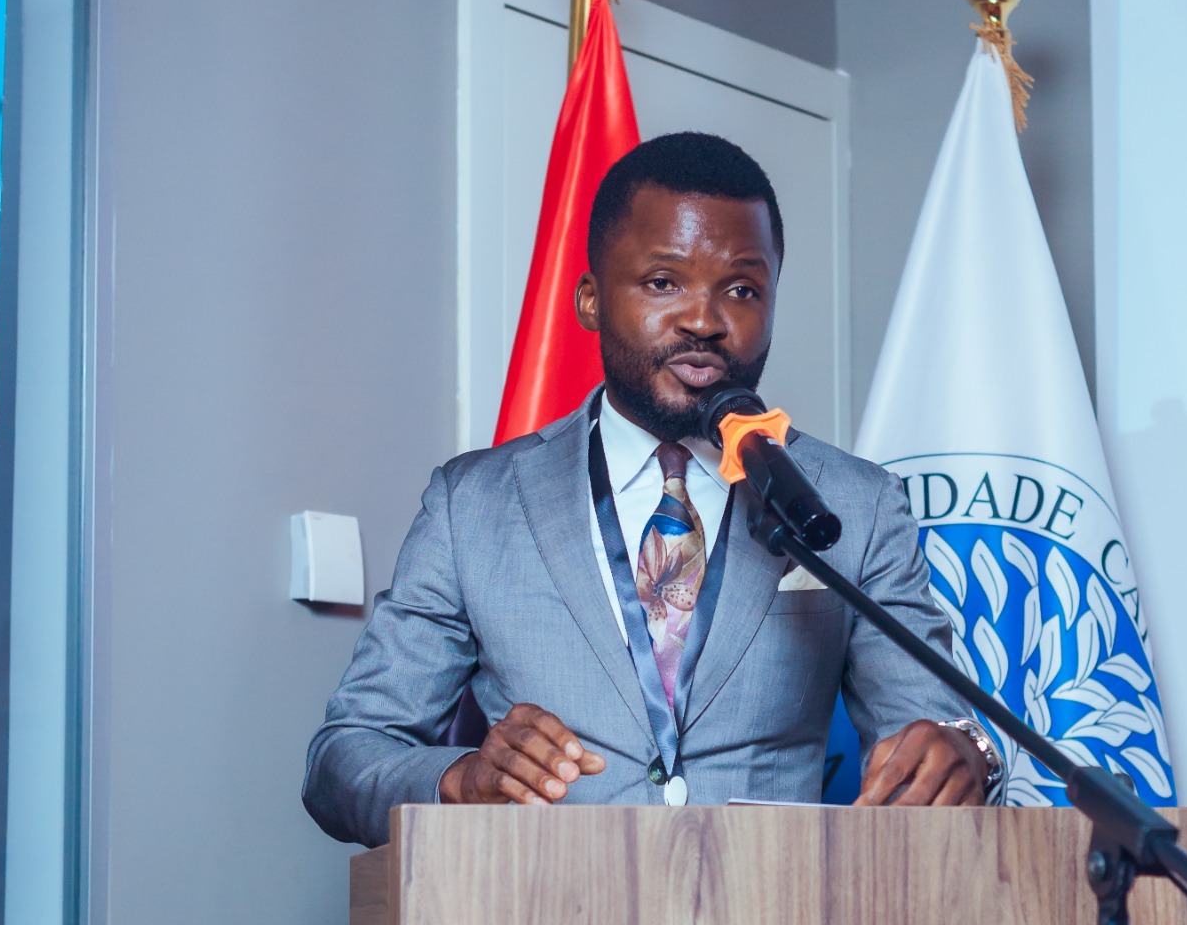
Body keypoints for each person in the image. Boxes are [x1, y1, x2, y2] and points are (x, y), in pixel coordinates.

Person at [303, 132, 1003, 848]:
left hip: (779, 908)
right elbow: (343, 761)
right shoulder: (473, 506)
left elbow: (940, 729)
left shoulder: (857, 504)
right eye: (663, 282)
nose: (704, 321)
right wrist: (461, 780)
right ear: (590, 300)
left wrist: (966, 755)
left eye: (742, 290)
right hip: (542, 908)